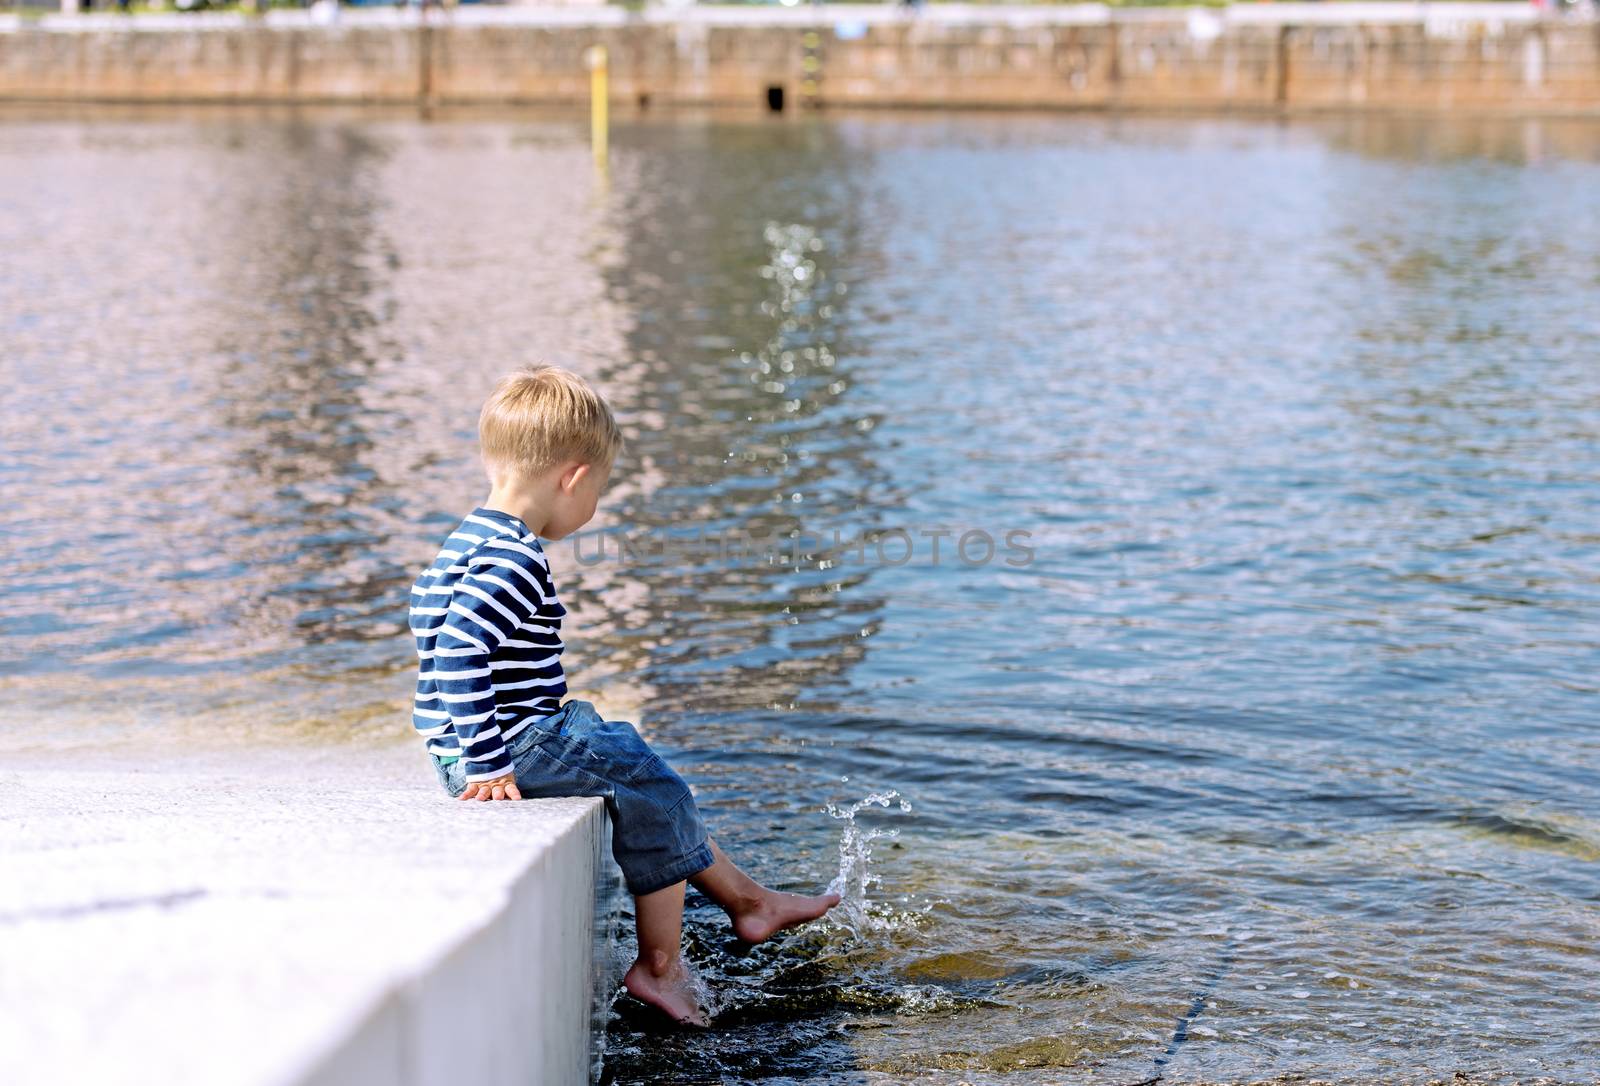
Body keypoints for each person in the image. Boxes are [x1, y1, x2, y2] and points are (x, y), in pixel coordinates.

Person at [409, 364, 839, 1026]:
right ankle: (661, 967)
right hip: (504, 746)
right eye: (600, 491)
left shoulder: (465, 540)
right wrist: (489, 759)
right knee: (653, 785)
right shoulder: (516, 558)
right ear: (573, 477)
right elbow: (462, 647)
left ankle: (750, 902)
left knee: (624, 752)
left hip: (478, 739)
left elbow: (434, 636)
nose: (594, 508)